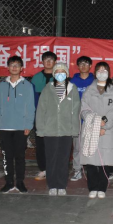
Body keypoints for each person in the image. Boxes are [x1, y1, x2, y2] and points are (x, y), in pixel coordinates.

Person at [35, 62, 80, 196]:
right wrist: (40, 129)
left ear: (67, 74)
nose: (60, 74)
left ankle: (61, 185)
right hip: (50, 130)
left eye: (63, 72)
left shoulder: (72, 88)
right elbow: (41, 110)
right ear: (54, 74)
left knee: (63, 159)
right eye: (57, 72)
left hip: (66, 130)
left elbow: (76, 111)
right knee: (51, 158)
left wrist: (74, 129)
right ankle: (52, 185)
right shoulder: (47, 89)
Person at [0, 56, 35, 193]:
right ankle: (9, 182)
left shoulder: (27, 86)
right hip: (4, 127)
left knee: (20, 156)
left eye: (17, 65)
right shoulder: (2, 86)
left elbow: (30, 107)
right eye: (12, 65)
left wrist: (28, 125)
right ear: (8, 67)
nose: (14, 67)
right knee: (7, 156)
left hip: (21, 127)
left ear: (22, 68)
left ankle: (20, 182)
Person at [79, 62, 113, 199]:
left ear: (109, 73)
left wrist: (104, 124)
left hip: (107, 130)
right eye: (99, 70)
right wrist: (96, 125)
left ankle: (102, 187)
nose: (102, 72)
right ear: (95, 72)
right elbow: (84, 109)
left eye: (104, 70)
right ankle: (93, 187)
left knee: (105, 161)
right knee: (91, 160)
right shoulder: (89, 90)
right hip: (91, 129)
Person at [30, 51, 57, 181]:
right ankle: (43, 168)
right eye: (46, 59)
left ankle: (54, 168)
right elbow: (32, 99)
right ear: (42, 62)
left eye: (51, 59)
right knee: (40, 143)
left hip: (55, 117)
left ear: (55, 62)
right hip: (40, 116)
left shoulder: (60, 77)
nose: (48, 62)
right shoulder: (36, 78)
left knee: (55, 143)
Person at [70, 56, 95, 181]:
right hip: (77, 120)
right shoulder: (72, 82)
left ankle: (92, 171)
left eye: (86, 63)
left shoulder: (95, 81)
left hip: (92, 119)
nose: (83, 66)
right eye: (81, 64)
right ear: (77, 66)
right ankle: (77, 170)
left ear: (90, 66)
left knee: (92, 146)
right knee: (77, 147)